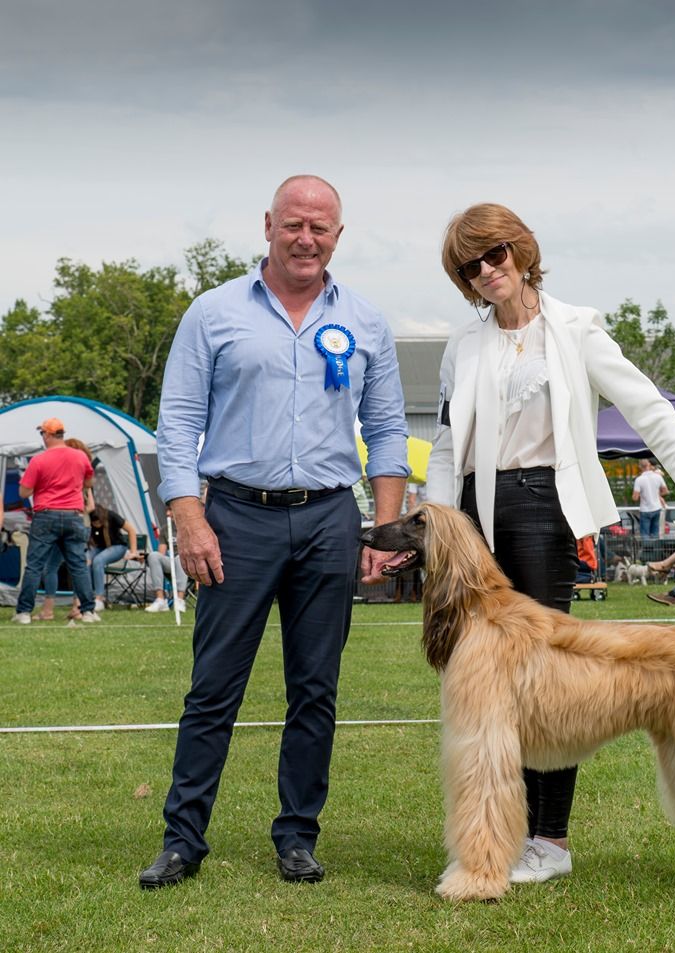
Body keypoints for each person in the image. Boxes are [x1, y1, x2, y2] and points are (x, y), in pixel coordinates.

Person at [427, 203, 675, 885]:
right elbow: (450, 443)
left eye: (496, 255)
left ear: (522, 250)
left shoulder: (575, 329)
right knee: (486, 692)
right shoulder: (464, 345)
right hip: (477, 517)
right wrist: (436, 523)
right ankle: (494, 842)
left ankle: (550, 840)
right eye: (470, 265)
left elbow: (651, 411)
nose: (486, 271)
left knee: (551, 679)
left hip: (546, 511)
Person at [139, 175, 409, 890]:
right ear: (268, 226)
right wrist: (188, 514)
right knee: (213, 687)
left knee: (315, 689)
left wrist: (383, 528)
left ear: (338, 236)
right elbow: (178, 423)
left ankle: (297, 835)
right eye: (294, 224)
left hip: (328, 518)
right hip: (234, 516)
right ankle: (182, 838)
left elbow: (385, 430)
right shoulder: (214, 312)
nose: (306, 238)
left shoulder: (368, 322)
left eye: (320, 227)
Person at [11, 419, 100, 625]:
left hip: (46, 516)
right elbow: (89, 482)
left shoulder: (39, 460)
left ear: (47, 435)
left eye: (42, 434)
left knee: (34, 566)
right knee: (78, 565)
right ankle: (88, 612)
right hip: (73, 516)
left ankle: (24, 613)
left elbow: (24, 491)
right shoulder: (80, 457)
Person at [34, 438, 97, 621]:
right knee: (78, 566)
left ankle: (48, 610)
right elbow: (91, 505)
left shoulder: (65, 475)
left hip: (63, 522)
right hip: (82, 525)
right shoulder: (83, 474)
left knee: (51, 566)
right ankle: (80, 608)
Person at [87, 504, 140, 611]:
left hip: (118, 547)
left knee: (98, 560)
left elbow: (131, 530)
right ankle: (87, 597)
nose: (97, 525)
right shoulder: (87, 519)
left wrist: (133, 552)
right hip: (99, 548)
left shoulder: (111, 515)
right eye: (94, 523)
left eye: (99, 522)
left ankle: (99, 599)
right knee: (84, 560)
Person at [144, 508, 188, 613]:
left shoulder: (188, 527)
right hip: (171, 562)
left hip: (187, 563)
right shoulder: (165, 529)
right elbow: (161, 553)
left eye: (171, 510)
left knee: (180, 558)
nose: (168, 513)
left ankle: (180, 600)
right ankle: (160, 600)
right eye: (167, 510)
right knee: (154, 555)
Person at [632, 458, 668, 537]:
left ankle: (646, 549)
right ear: (649, 465)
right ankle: (655, 549)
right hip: (656, 508)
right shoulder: (658, 477)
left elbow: (635, 498)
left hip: (645, 509)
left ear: (640, 466)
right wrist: (657, 495)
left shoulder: (639, 480)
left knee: (645, 534)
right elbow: (665, 491)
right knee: (655, 533)